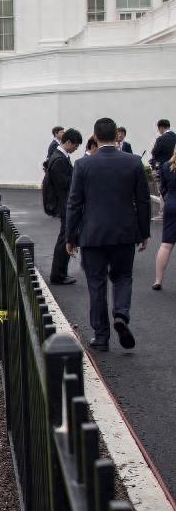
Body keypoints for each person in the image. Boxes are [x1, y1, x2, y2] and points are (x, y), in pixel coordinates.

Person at [65, 116, 151, 351]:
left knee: (96, 283)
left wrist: (70, 237)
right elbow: (143, 201)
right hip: (124, 232)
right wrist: (144, 233)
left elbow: (74, 203)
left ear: (94, 136)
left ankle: (101, 336)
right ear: (116, 137)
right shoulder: (133, 162)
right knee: (123, 277)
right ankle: (121, 315)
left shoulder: (83, 165)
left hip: (93, 234)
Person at [46, 127, 82, 285]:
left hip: (63, 202)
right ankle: (58, 274)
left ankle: (61, 272)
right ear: (67, 142)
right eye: (75, 145)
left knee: (65, 237)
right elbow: (64, 183)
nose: (76, 149)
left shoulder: (60, 156)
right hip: (64, 203)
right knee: (64, 239)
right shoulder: (59, 159)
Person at [153, 147, 176, 290]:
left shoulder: (167, 166)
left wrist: (168, 198)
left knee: (166, 245)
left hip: (171, 204)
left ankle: (158, 280)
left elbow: (162, 188)